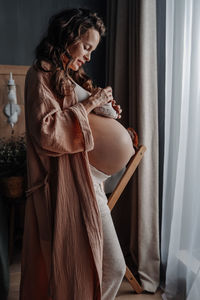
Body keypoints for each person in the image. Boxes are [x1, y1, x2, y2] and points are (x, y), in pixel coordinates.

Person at [20, 8, 135, 300]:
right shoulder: (40, 74)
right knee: (98, 269)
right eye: (86, 46)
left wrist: (106, 110)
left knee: (106, 268)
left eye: (93, 50)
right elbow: (47, 131)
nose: (89, 56)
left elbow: (84, 122)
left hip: (92, 181)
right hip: (71, 184)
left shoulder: (70, 77)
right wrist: (89, 105)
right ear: (69, 36)